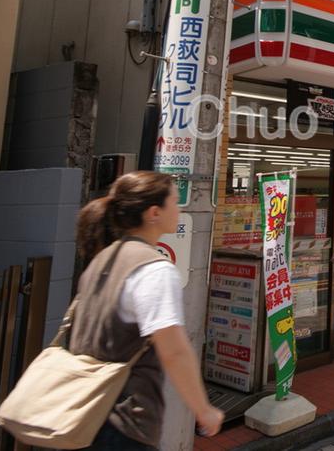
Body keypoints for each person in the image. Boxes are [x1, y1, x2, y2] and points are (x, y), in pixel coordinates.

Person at [71, 171, 223, 450]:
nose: (178, 208)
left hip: (84, 411)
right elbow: (174, 351)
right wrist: (203, 410)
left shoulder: (101, 259)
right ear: (154, 213)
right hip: (124, 422)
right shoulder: (153, 269)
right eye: (174, 202)